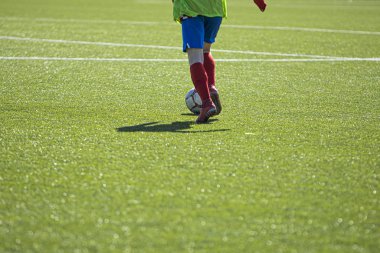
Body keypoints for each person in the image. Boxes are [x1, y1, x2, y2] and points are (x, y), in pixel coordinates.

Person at [172, 0, 267, 123]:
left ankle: (206, 103)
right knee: (206, 50)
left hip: (191, 8)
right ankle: (211, 87)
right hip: (215, 10)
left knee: (195, 57)